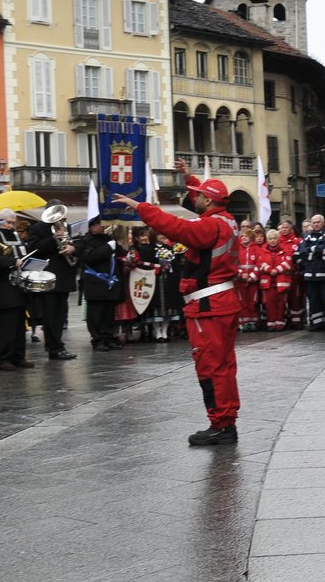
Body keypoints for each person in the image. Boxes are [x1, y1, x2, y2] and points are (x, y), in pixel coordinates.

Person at [115, 168, 243, 445]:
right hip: (222, 301)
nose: (192, 199)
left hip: (209, 305)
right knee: (224, 365)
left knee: (211, 366)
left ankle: (221, 424)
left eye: (197, 196)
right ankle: (225, 421)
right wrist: (191, 181)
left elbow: (179, 228)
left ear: (207, 201)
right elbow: (203, 208)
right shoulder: (227, 220)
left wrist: (144, 209)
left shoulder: (210, 225)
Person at [24, 206, 77, 360]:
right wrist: (53, 238)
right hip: (47, 276)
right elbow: (34, 248)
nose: (59, 219)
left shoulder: (66, 227)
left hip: (64, 276)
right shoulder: (37, 229)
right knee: (50, 315)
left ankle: (58, 344)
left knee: (61, 315)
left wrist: (71, 248)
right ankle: (53, 347)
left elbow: (72, 244)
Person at [0, 209, 33, 371]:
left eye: (13, 223)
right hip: (3, 287)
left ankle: (19, 357)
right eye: (8, 222)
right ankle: (3, 359)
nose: (11, 226)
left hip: (19, 287)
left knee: (20, 325)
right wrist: (13, 262)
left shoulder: (17, 236)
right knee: (7, 326)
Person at [77, 216, 124, 350]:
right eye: (99, 224)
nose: (102, 226)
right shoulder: (85, 240)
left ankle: (108, 337)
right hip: (95, 283)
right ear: (92, 226)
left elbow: (119, 253)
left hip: (110, 282)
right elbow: (89, 257)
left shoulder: (107, 239)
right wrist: (108, 248)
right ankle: (97, 339)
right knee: (96, 313)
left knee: (109, 313)